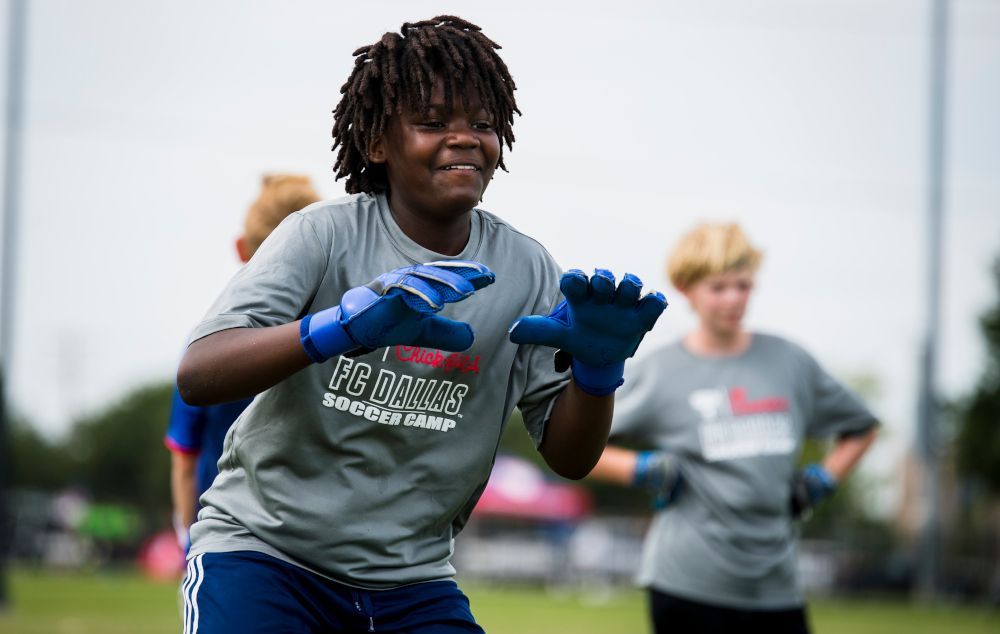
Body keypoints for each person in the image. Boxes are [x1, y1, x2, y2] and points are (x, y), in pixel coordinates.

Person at [174, 16, 667, 633]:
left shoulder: (527, 269)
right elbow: (200, 373)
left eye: (482, 124)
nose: (464, 139)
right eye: (433, 123)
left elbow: (570, 457)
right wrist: (338, 329)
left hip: (412, 583)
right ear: (379, 142)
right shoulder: (321, 235)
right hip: (265, 557)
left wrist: (596, 374)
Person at [589, 222, 878, 634]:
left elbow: (862, 427)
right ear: (686, 288)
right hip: (686, 584)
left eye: (742, 285)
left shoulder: (789, 361)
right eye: (718, 287)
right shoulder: (662, 370)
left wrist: (822, 480)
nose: (733, 298)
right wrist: (642, 469)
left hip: (776, 587)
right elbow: (579, 443)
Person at [163, 174, 320, 553]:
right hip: (319, 543)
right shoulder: (343, 337)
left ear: (240, 247)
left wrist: (189, 541)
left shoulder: (208, 350)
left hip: (225, 537)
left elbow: (185, 460)